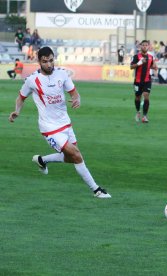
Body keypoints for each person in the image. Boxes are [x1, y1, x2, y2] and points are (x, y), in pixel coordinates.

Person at [8, 47, 111, 199]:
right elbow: (21, 98)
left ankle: (42, 160)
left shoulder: (62, 74)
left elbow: (74, 93)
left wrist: (77, 99)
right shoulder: (32, 80)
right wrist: (17, 111)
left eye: (51, 60)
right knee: (77, 155)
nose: (49, 64)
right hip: (49, 128)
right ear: (39, 62)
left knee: (71, 158)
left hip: (65, 123)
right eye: (45, 62)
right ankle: (96, 190)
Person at [130, 40, 158, 123]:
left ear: (148, 47)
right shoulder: (136, 56)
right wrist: (139, 63)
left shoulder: (150, 57)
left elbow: (153, 66)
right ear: (140, 46)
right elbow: (131, 67)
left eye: (146, 45)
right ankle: (138, 111)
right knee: (138, 97)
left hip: (147, 80)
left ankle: (145, 116)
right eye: (143, 45)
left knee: (146, 96)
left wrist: (156, 69)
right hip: (138, 81)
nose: (145, 46)